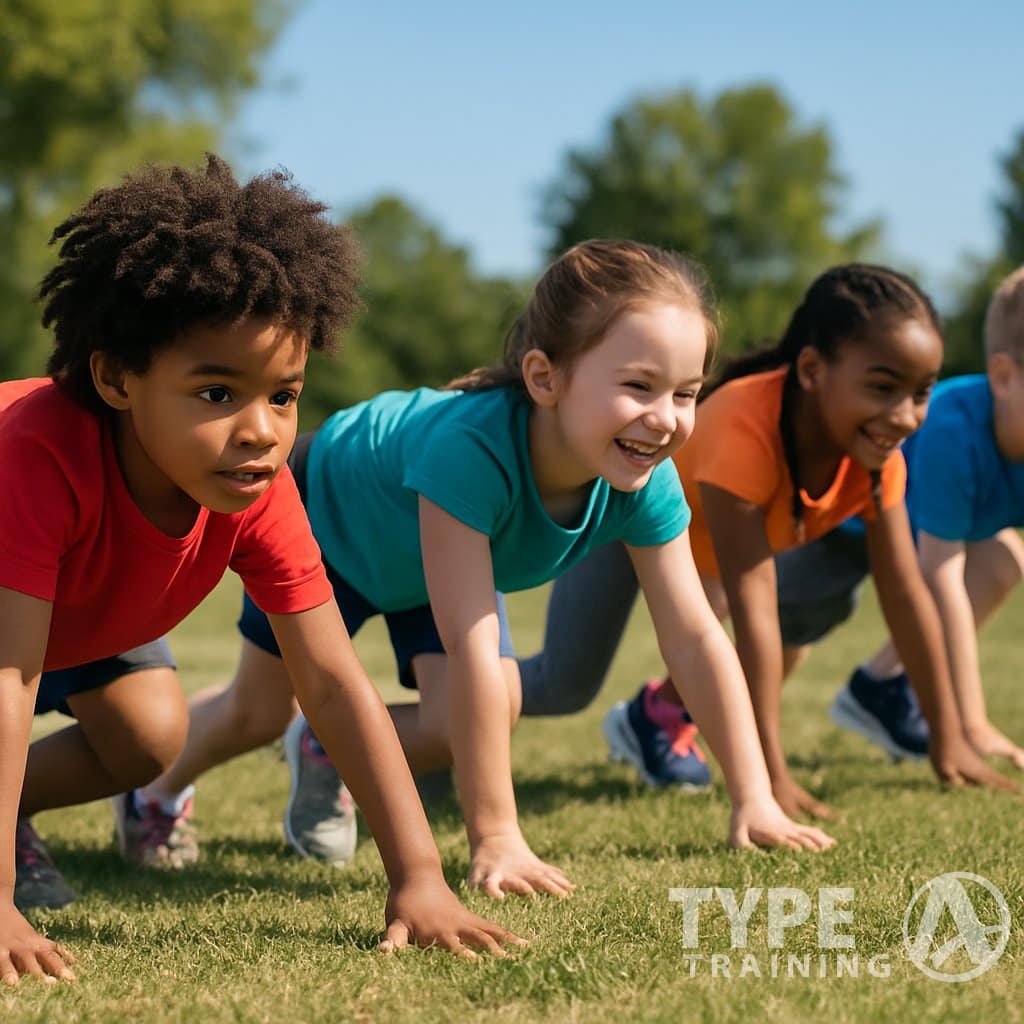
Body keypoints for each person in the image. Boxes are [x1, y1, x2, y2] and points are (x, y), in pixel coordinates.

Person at [131, 239, 834, 893]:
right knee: (256, 711)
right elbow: (470, 640)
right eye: (639, 386)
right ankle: (152, 795)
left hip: (424, 556)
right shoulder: (471, 452)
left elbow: (696, 637)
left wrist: (755, 798)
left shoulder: (644, 478)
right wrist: (496, 836)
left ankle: (324, 746)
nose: (665, 417)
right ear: (544, 377)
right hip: (329, 518)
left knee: (471, 712)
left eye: (684, 393)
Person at [0, 155, 520, 986]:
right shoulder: (31, 455)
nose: (261, 431)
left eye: (283, 396)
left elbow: (335, 684)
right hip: (10, 628)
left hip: (74, 616)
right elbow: (11, 677)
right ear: (115, 377)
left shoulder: (257, 491)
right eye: (216, 394)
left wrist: (419, 878)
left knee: (148, 737)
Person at [512, 264, 1014, 820]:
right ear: (812, 369)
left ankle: (655, 718)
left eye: (921, 393)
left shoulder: (877, 462)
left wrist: (948, 738)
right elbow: (755, 616)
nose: (903, 416)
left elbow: (906, 594)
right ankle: (439, 709)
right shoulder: (745, 428)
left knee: (809, 601)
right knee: (563, 686)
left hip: (704, 565)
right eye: (881, 387)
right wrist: (770, 778)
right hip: (623, 522)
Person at [779, 264, 1024, 769]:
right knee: (787, 634)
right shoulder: (954, 427)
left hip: (918, 533)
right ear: (1002, 376)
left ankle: (882, 687)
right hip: (840, 525)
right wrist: (968, 723)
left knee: (1002, 560)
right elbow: (940, 574)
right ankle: (664, 711)